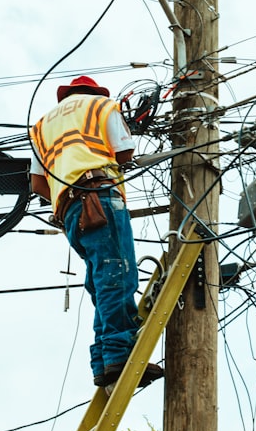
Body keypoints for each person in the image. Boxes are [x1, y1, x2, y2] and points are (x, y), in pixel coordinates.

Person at [29, 75, 164, 389]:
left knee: (101, 280)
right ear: (93, 92)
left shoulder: (41, 126)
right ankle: (119, 354)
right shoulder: (102, 106)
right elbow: (124, 152)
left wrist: (68, 193)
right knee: (117, 275)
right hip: (99, 196)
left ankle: (103, 362)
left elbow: (37, 184)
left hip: (70, 212)